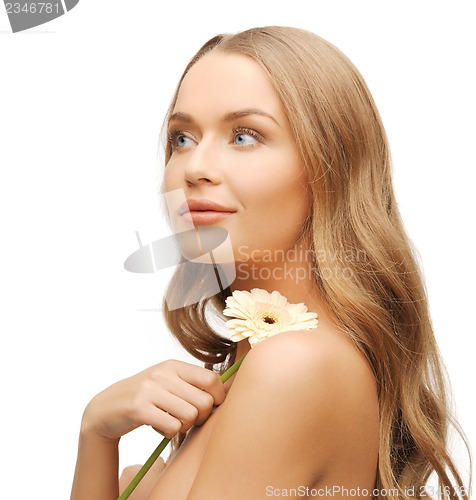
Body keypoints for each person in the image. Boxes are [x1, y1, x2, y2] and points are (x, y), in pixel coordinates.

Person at [71, 26, 471, 499]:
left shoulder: (293, 366)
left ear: (331, 168)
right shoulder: (250, 370)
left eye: (244, 135)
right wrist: (97, 434)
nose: (194, 166)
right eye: (182, 138)